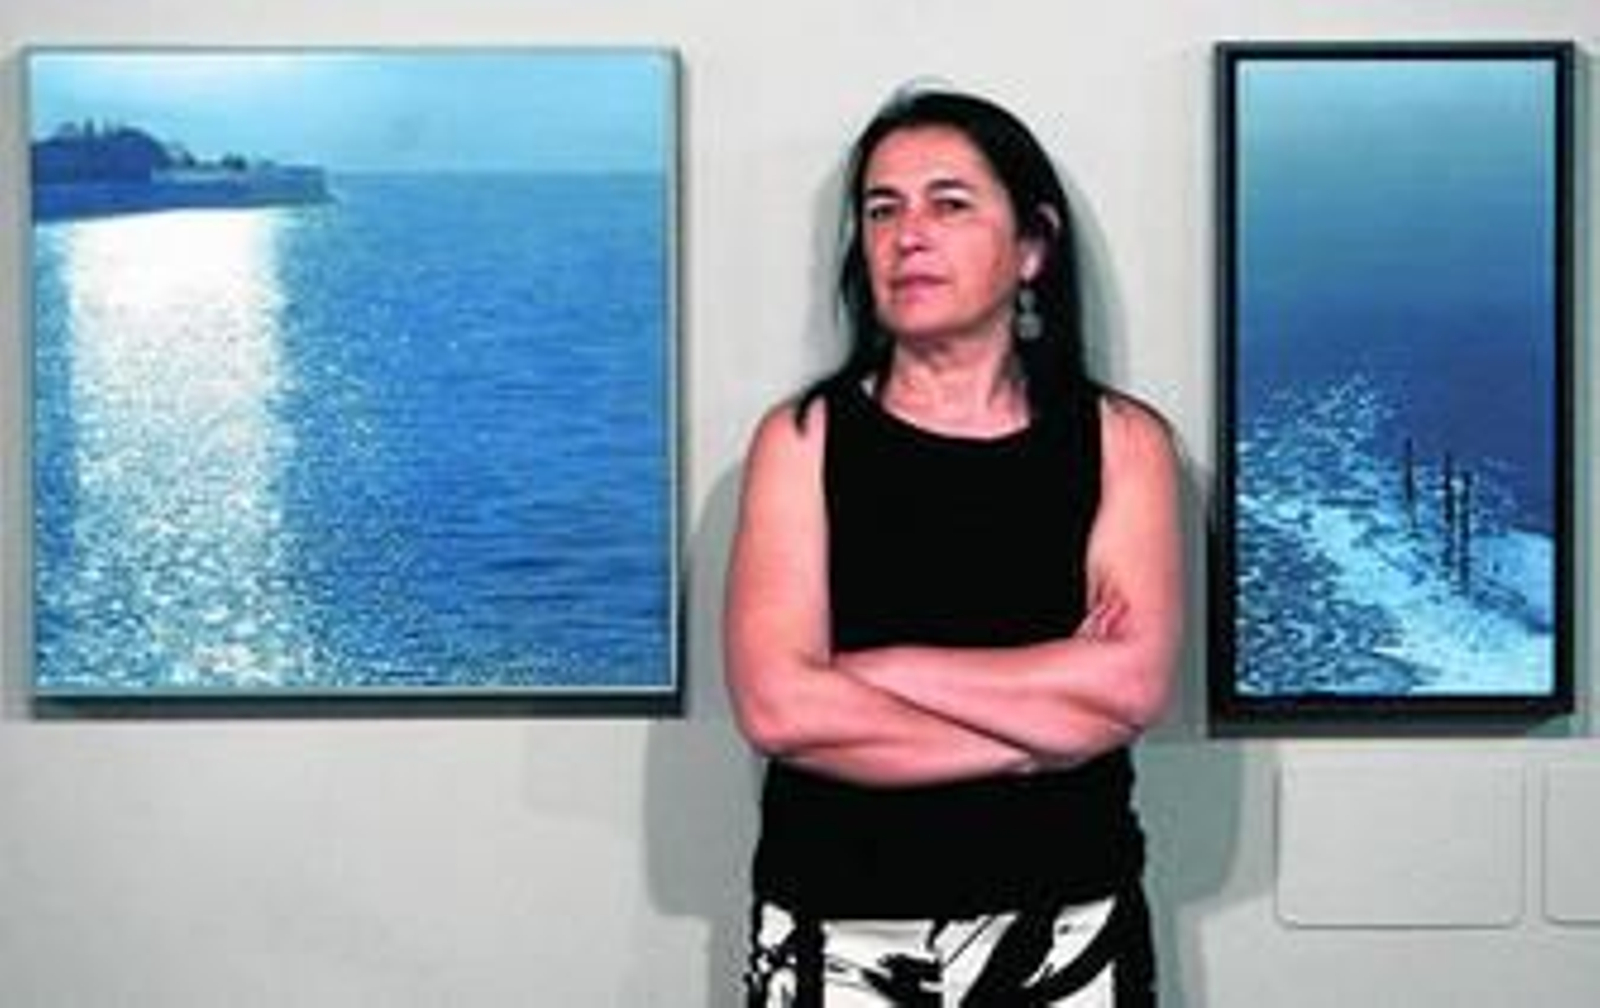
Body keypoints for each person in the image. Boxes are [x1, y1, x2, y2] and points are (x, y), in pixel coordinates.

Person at [724, 85, 1183, 1006]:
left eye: (949, 204)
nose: (908, 236)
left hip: (1067, 926)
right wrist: (1041, 736)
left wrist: (879, 670)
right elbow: (778, 709)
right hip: (836, 926)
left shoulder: (1123, 442)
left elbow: (1129, 689)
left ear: (1032, 246)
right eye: (881, 209)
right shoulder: (802, 439)